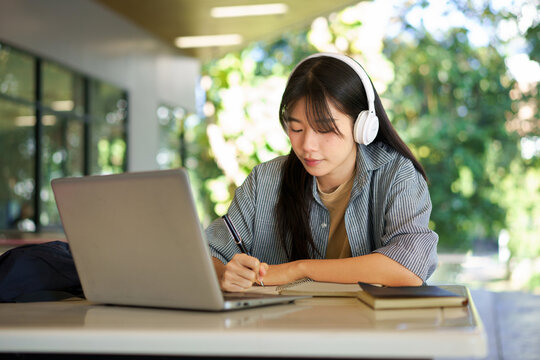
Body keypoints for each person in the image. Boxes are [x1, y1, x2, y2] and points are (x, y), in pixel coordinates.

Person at [206, 52, 438, 292]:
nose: (307, 145)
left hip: (367, 328)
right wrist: (225, 274)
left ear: (363, 126)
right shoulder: (264, 180)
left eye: (325, 129)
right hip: (281, 327)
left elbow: (409, 268)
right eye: (296, 128)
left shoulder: (397, 174)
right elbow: (207, 253)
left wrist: (299, 270)